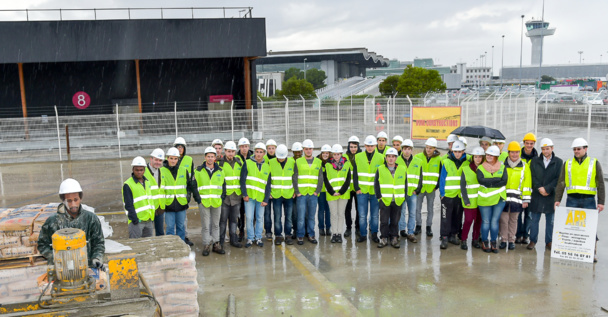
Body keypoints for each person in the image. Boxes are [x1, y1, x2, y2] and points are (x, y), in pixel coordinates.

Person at [555, 137, 605, 263]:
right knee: (572, 228)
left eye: (579, 149)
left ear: (585, 149)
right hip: (572, 200)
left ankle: (592, 252)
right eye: (575, 149)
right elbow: (562, 182)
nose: (576, 151)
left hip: (589, 200)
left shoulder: (594, 163)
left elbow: (600, 183)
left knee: (590, 228)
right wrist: (558, 199)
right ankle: (575, 251)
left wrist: (601, 201)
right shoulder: (568, 163)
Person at [38, 179, 105, 269]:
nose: (73, 204)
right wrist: (56, 258)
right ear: (63, 201)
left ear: (80, 198)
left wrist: (96, 258)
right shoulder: (53, 222)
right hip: (61, 269)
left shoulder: (91, 219)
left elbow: (98, 243)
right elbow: (42, 244)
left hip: (86, 267)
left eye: (76, 199)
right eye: (69, 201)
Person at [528, 138, 562, 250]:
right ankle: (532, 240)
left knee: (550, 221)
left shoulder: (558, 162)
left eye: (547, 149)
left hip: (550, 195)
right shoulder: (535, 161)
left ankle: (549, 241)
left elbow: (558, 178)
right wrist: (539, 188)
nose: (545, 151)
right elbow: (532, 177)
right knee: (534, 220)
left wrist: (548, 189)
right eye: (543, 149)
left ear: (552, 148)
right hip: (537, 195)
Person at [192, 147, 225, 256]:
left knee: (216, 225)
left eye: (212, 156)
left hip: (216, 202)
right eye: (208, 156)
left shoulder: (220, 171)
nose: (210, 159)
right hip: (204, 202)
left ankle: (216, 244)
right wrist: (198, 200)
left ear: (215, 158)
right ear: (205, 157)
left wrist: (222, 198)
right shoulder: (198, 170)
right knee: (206, 225)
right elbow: (194, 186)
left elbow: (223, 186)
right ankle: (206, 245)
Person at [499, 141, 531, 251]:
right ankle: (503, 240)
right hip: (504, 198)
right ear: (508, 153)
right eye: (512, 152)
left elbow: (527, 184)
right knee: (503, 220)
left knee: (513, 220)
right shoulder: (502, 165)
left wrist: (526, 199)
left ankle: (511, 240)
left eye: (517, 152)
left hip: (517, 199)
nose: (515, 154)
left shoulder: (524, 166)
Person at [476, 145, 508, 254]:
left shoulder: (503, 167)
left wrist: (489, 181)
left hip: (499, 198)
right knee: (486, 221)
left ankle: (493, 242)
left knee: (494, 221)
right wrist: (496, 180)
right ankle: (485, 242)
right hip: (485, 199)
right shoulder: (480, 168)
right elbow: (481, 181)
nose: (489, 156)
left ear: (496, 156)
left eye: (491, 155)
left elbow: (504, 181)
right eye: (487, 154)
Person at [354, 135, 385, 243]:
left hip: (375, 192)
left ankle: (374, 234)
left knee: (375, 215)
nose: (370, 147)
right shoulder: (358, 156)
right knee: (362, 215)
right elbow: (355, 173)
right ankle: (363, 234)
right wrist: (357, 187)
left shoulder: (381, 158)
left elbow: (383, 175)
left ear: (375, 146)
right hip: (362, 191)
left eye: (372, 146)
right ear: (365, 145)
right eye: (368, 145)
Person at [240, 142, 271, 247]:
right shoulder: (248, 163)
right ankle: (250, 238)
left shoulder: (267, 166)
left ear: (264, 154)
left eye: (261, 152)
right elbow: (242, 180)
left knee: (259, 218)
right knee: (248, 218)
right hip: (249, 197)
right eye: (257, 152)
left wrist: (266, 199)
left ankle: (258, 238)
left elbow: (268, 184)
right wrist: (244, 194)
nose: (258, 154)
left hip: (260, 197)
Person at [375, 148, 407, 248]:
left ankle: (394, 238)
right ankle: (383, 238)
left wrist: (403, 197)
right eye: (389, 156)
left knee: (395, 221)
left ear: (396, 158)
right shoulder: (380, 169)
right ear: (386, 158)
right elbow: (376, 184)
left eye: (393, 157)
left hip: (397, 200)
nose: (391, 159)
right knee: (384, 221)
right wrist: (379, 197)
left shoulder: (402, 169)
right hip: (385, 200)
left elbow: (405, 184)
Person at [160, 147, 193, 244]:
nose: (173, 161)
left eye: (175, 158)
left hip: (181, 204)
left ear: (178, 159)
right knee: (170, 228)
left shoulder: (183, 170)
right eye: (171, 158)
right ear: (167, 158)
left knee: (181, 227)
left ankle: (181, 246)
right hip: (168, 204)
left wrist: (187, 198)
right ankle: (171, 247)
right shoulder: (162, 171)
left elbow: (188, 186)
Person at [439, 140, 468, 249]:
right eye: (455, 151)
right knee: (445, 217)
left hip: (459, 195)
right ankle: (444, 237)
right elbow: (442, 179)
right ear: (452, 151)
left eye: (459, 151)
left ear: (463, 151)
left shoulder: (466, 162)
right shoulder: (446, 162)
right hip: (447, 195)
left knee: (457, 216)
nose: (457, 154)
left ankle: (453, 235)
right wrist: (442, 193)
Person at [295, 139, 323, 245]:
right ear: (303, 150)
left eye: (310, 149)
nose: (308, 151)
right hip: (301, 194)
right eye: (306, 149)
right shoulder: (298, 161)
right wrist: (297, 191)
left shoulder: (318, 162)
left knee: (311, 216)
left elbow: (320, 178)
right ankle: (300, 235)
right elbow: (295, 177)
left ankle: (311, 235)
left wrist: (317, 191)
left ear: (313, 149)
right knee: (301, 216)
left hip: (313, 194)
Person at [269, 144, 297, 245]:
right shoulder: (271, 162)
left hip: (289, 194)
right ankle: (278, 236)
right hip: (276, 194)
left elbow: (295, 178)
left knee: (288, 217)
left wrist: (295, 191)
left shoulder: (292, 162)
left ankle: (288, 235)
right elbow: (268, 178)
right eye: (279, 157)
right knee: (277, 217)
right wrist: (269, 192)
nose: (281, 159)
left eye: (282, 157)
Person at [324, 144, 352, 243]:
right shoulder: (327, 165)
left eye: (338, 154)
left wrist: (340, 192)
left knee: (341, 214)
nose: (336, 156)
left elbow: (348, 180)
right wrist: (332, 192)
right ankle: (334, 233)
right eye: (335, 154)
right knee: (333, 214)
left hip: (343, 194)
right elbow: (326, 180)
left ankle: (339, 233)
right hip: (331, 195)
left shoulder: (347, 164)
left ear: (341, 154)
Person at [414, 137, 441, 237]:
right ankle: (418, 225)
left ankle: (429, 227)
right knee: (417, 208)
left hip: (431, 189)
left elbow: (440, 174)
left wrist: (436, 187)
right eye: (427, 147)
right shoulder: (418, 157)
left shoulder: (439, 159)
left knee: (430, 208)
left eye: (431, 148)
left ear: (435, 149)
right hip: (420, 188)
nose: (428, 150)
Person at [218, 141, 243, 249]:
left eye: (233, 151)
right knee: (222, 221)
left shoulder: (239, 163)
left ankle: (233, 239)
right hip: (225, 198)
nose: (231, 154)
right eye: (229, 151)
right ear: (225, 151)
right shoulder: (220, 163)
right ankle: (221, 241)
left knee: (234, 220)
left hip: (236, 196)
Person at [397, 139, 423, 243]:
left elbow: (421, 177)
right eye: (405, 149)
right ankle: (402, 230)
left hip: (412, 192)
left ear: (412, 150)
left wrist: (417, 190)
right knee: (402, 212)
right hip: (402, 192)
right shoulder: (397, 160)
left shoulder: (418, 162)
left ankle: (411, 232)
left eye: (409, 149)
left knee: (412, 213)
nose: (407, 151)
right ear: (402, 150)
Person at [123, 156, 155, 238]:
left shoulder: (147, 182)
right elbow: (128, 204)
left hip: (148, 220)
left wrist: (152, 217)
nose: (139, 172)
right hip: (136, 222)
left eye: (141, 170)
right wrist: (134, 220)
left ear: (144, 170)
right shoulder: (128, 184)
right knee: (136, 246)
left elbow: (149, 200)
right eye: (137, 170)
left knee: (148, 245)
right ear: (133, 170)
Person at [460, 146, 485, 250]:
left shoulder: (485, 169)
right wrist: (466, 200)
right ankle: (463, 239)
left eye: (480, 157)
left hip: (481, 201)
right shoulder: (466, 169)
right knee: (468, 220)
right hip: (469, 201)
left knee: (478, 221)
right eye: (476, 157)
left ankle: (475, 240)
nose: (478, 159)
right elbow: (462, 186)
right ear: (472, 157)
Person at [516, 133, 538, 244]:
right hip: (519, 189)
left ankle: (526, 235)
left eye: (531, 143)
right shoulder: (517, 155)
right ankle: (518, 235)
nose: (529, 145)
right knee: (518, 214)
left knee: (529, 215)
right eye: (527, 143)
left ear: (534, 144)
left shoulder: (537, 158)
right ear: (523, 143)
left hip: (532, 191)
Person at [173, 137, 194, 246]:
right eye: (178, 147)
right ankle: (174, 239)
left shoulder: (189, 160)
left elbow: (191, 179)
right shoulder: (171, 159)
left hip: (183, 194)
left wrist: (188, 195)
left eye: (181, 147)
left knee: (183, 219)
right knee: (172, 220)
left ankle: (184, 237)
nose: (180, 149)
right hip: (172, 195)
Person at [343, 136, 361, 238]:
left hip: (358, 188)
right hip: (348, 188)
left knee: (359, 209)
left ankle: (357, 227)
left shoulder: (362, 157)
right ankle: (348, 228)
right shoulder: (345, 158)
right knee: (347, 209)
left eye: (355, 147)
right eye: (351, 147)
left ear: (358, 147)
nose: (353, 149)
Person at [145, 148, 165, 236]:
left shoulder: (162, 172)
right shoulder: (143, 172)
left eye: (160, 160)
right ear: (151, 159)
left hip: (160, 208)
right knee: (148, 233)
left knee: (160, 233)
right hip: (149, 208)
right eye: (156, 160)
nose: (158, 162)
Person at [237, 137, 253, 242]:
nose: (244, 149)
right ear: (239, 147)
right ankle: (241, 230)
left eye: (246, 146)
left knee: (251, 214)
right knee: (240, 212)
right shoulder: (236, 158)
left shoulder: (253, 157)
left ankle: (252, 231)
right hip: (239, 190)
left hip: (251, 189)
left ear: (249, 147)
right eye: (242, 147)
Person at [264, 139, 278, 241]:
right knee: (267, 214)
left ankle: (278, 232)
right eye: (269, 148)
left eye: (273, 148)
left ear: (275, 149)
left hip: (276, 190)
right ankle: (268, 231)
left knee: (277, 213)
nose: (271, 150)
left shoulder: (279, 158)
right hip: (266, 191)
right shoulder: (263, 160)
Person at [317, 144, 332, 236]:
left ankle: (328, 228)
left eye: (327, 153)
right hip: (321, 191)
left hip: (329, 191)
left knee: (329, 210)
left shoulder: (332, 163)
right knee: (321, 209)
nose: (325, 155)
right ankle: (321, 228)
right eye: (323, 153)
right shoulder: (317, 162)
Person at [291, 142, 303, 240]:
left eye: (299, 151)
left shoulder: (305, 161)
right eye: (296, 152)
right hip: (293, 192)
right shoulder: (290, 161)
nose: (298, 153)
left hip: (303, 191)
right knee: (294, 214)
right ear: (292, 152)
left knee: (304, 213)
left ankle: (304, 230)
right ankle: (295, 230)